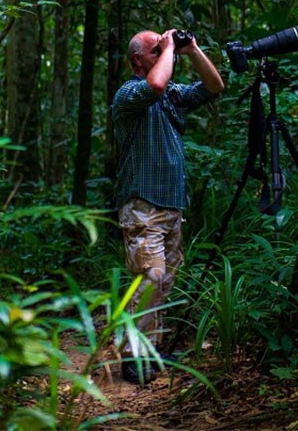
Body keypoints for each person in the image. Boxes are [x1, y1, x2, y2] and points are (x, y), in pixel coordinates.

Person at [112, 28, 224, 384]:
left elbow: (214, 86)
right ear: (137, 60)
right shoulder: (129, 93)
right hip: (142, 205)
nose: (165, 52)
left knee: (164, 283)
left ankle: (152, 349)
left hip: (172, 205)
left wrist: (191, 50)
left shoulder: (173, 95)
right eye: (156, 49)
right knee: (149, 278)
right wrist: (170, 48)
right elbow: (155, 85)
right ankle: (132, 357)